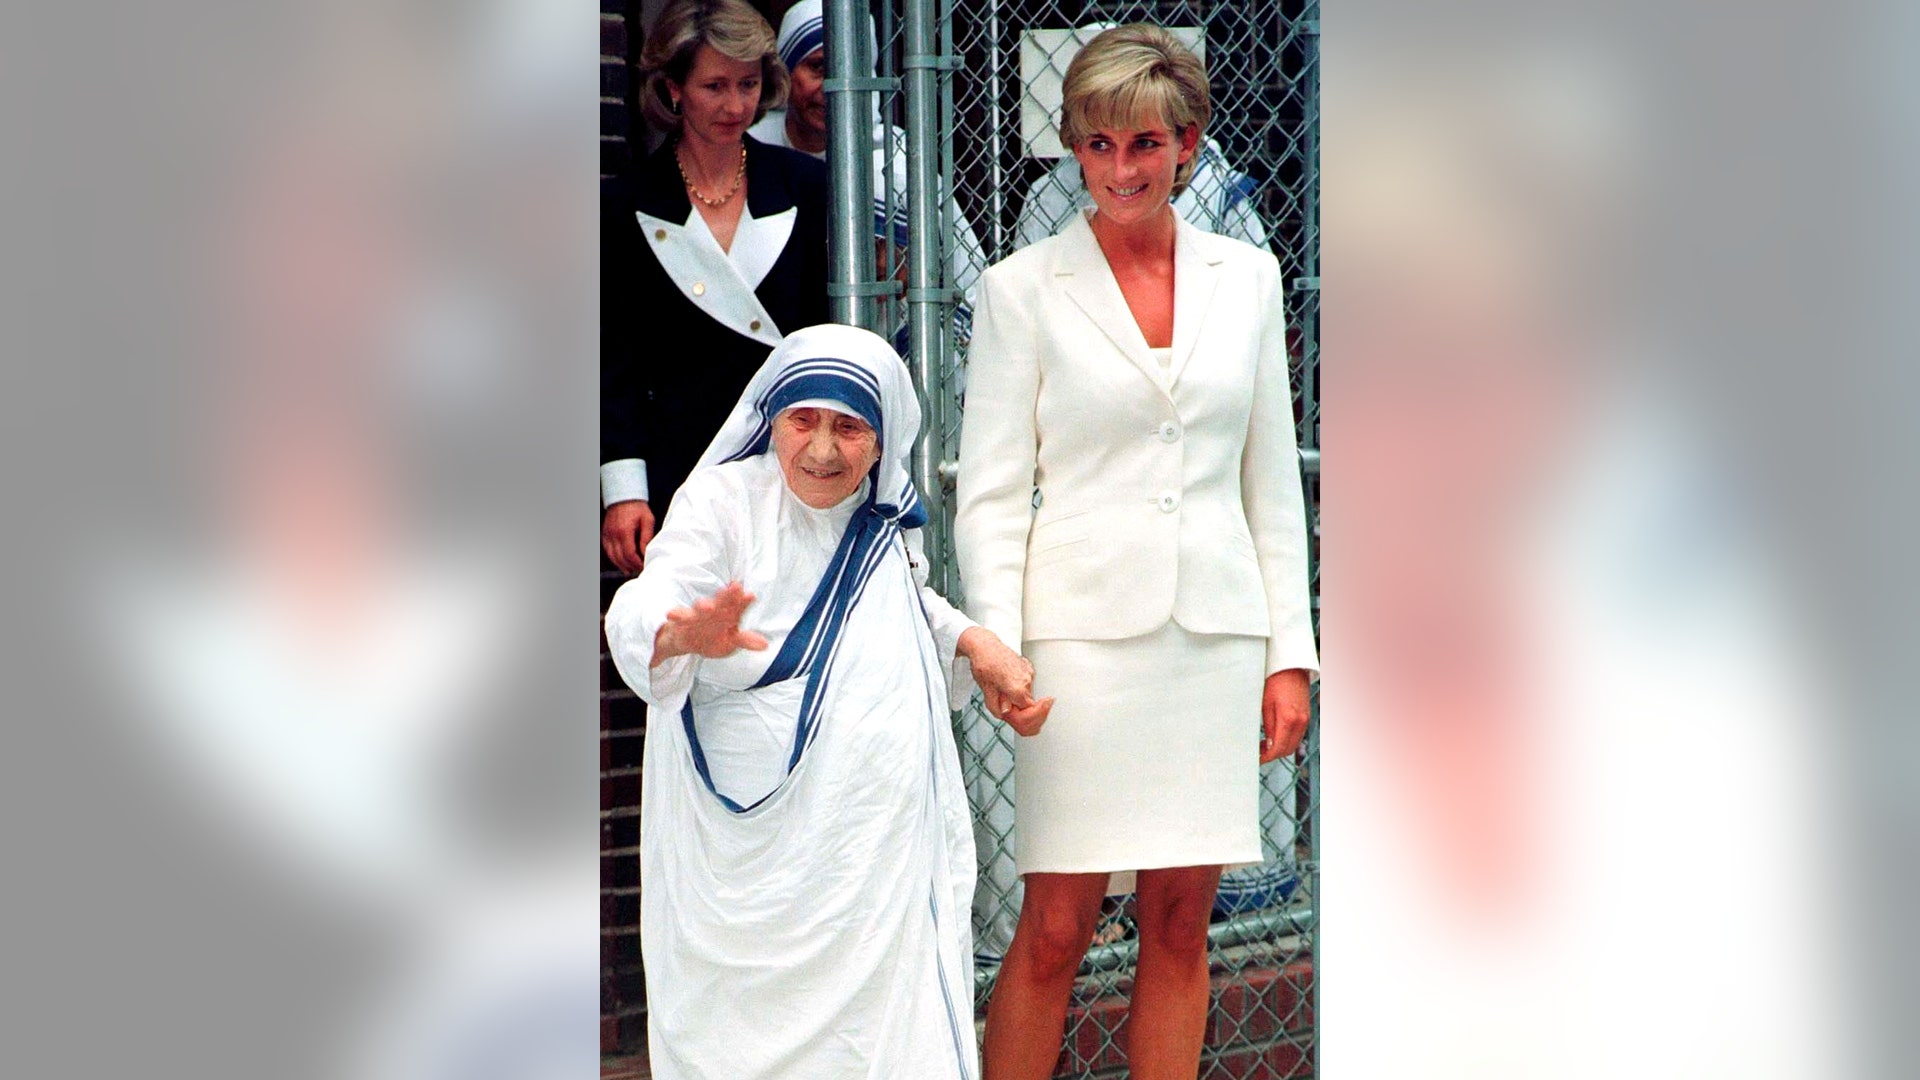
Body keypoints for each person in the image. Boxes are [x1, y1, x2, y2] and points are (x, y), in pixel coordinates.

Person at [953, 26, 1318, 1079]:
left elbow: (1269, 485)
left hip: (1211, 643)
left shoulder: (1250, 280)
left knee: (1179, 924)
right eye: (1100, 145)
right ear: (1075, 148)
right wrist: (1002, 642)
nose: (1122, 168)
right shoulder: (1020, 288)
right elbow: (990, 494)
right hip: (1077, 653)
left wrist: (1289, 656)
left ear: (1187, 144)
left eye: (1146, 143)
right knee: (1056, 929)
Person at [605, 323, 1050, 1079]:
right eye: (802, 421)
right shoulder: (722, 500)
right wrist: (681, 635)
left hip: (873, 860)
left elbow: (901, 604)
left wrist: (973, 642)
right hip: (752, 872)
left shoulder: (877, 514)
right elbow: (650, 602)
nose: (821, 450)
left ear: (882, 439)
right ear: (770, 419)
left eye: (848, 428)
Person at [601, 0, 830, 575]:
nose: (735, 106)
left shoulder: (807, 186)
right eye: (714, 86)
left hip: (792, 468)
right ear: (673, 88)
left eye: (748, 84)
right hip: (680, 476)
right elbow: (613, 359)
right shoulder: (625, 203)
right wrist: (624, 491)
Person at [748, 0, 987, 308]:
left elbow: (971, 279)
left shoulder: (898, 161)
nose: (834, 87)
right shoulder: (748, 152)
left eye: (850, 71)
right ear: (786, 72)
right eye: (818, 67)